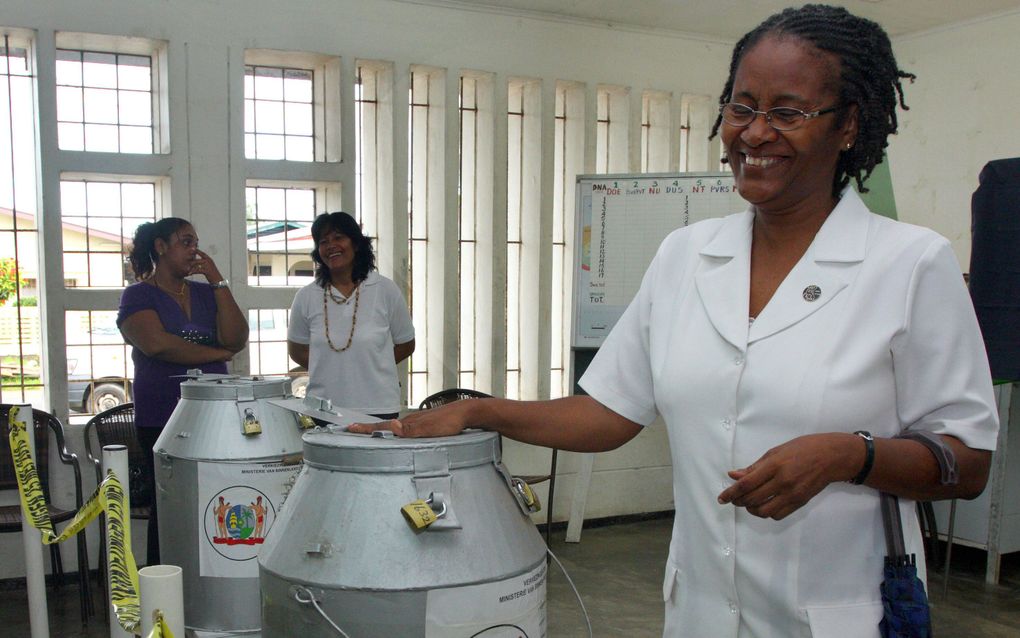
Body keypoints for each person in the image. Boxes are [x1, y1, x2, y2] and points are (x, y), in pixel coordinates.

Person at [350, 5, 999, 636]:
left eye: (787, 112)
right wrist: (476, 411)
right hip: (701, 611)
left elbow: (967, 464)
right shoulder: (687, 256)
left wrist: (848, 455)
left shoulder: (910, 264)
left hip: (837, 612)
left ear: (849, 125)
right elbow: (610, 413)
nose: (755, 132)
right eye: (741, 107)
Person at [118, 217, 247, 565]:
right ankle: (165, 586)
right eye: (186, 242)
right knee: (170, 505)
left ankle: (209, 580)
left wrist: (218, 280)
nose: (195, 251)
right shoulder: (138, 295)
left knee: (214, 497)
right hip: (162, 416)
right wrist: (218, 354)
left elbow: (236, 338)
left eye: (196, 242)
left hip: (214, 414)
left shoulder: (207, 292)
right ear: (161, 247)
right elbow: (157, 345)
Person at [288, 212, 415, 419]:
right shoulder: (306, 296)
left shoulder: (385, 290)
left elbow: (406, 344)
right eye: (323, 241)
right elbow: (297, 350)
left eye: (339, 238)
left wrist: (373, 363)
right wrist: (335, 365)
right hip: (324, 409)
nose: (331, 246)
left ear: (356, 244)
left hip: (378, 409)